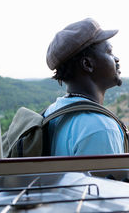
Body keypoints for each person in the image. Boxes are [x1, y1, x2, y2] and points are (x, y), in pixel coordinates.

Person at [44, 18, 124, 156]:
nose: (116, 59)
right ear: (87, 64)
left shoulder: (52, 112)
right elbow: (107, 179)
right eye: (109, 52)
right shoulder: (101, 128)